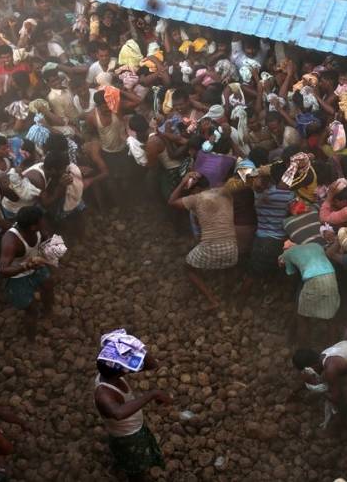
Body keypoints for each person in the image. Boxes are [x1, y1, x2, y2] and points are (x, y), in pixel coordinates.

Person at [94, 330, 170, 482]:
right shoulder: (104, 394)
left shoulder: (111, 373)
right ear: (120, 370)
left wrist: (136, 345)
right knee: (136, 469)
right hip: (127, 437)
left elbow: (152, 365)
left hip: (135, 428)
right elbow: (118, 413)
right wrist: (152, 395)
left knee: (139, 460)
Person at [169, 171, 238, 309]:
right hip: (232, 248)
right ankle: (229, 296)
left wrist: (183, 182)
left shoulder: (196, 198)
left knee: (188, 267)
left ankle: (212, 300)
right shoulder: (225, 193)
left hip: (212, 247)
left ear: (196, 189)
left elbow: (171, 202)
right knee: (229, 267)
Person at [0, 206, 54, 339]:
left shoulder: (38, 228)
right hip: (17, 275)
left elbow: (48, 240)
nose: (44, 221)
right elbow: (3, 270)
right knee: (31, 309)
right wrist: (26, 266)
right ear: (33, 227)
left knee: (48, 285)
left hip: (34, 265)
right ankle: (31, 340)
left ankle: (48, 313)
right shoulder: (11, 241)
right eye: (41, 220)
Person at [281, 241, 341, 346]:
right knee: (331, 318)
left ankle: (303, 349)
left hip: (314, 279)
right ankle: (333, 348)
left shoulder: (287, 254)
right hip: (331, 276)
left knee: (302, 318)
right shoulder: (315, 245)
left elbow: (292, 277)